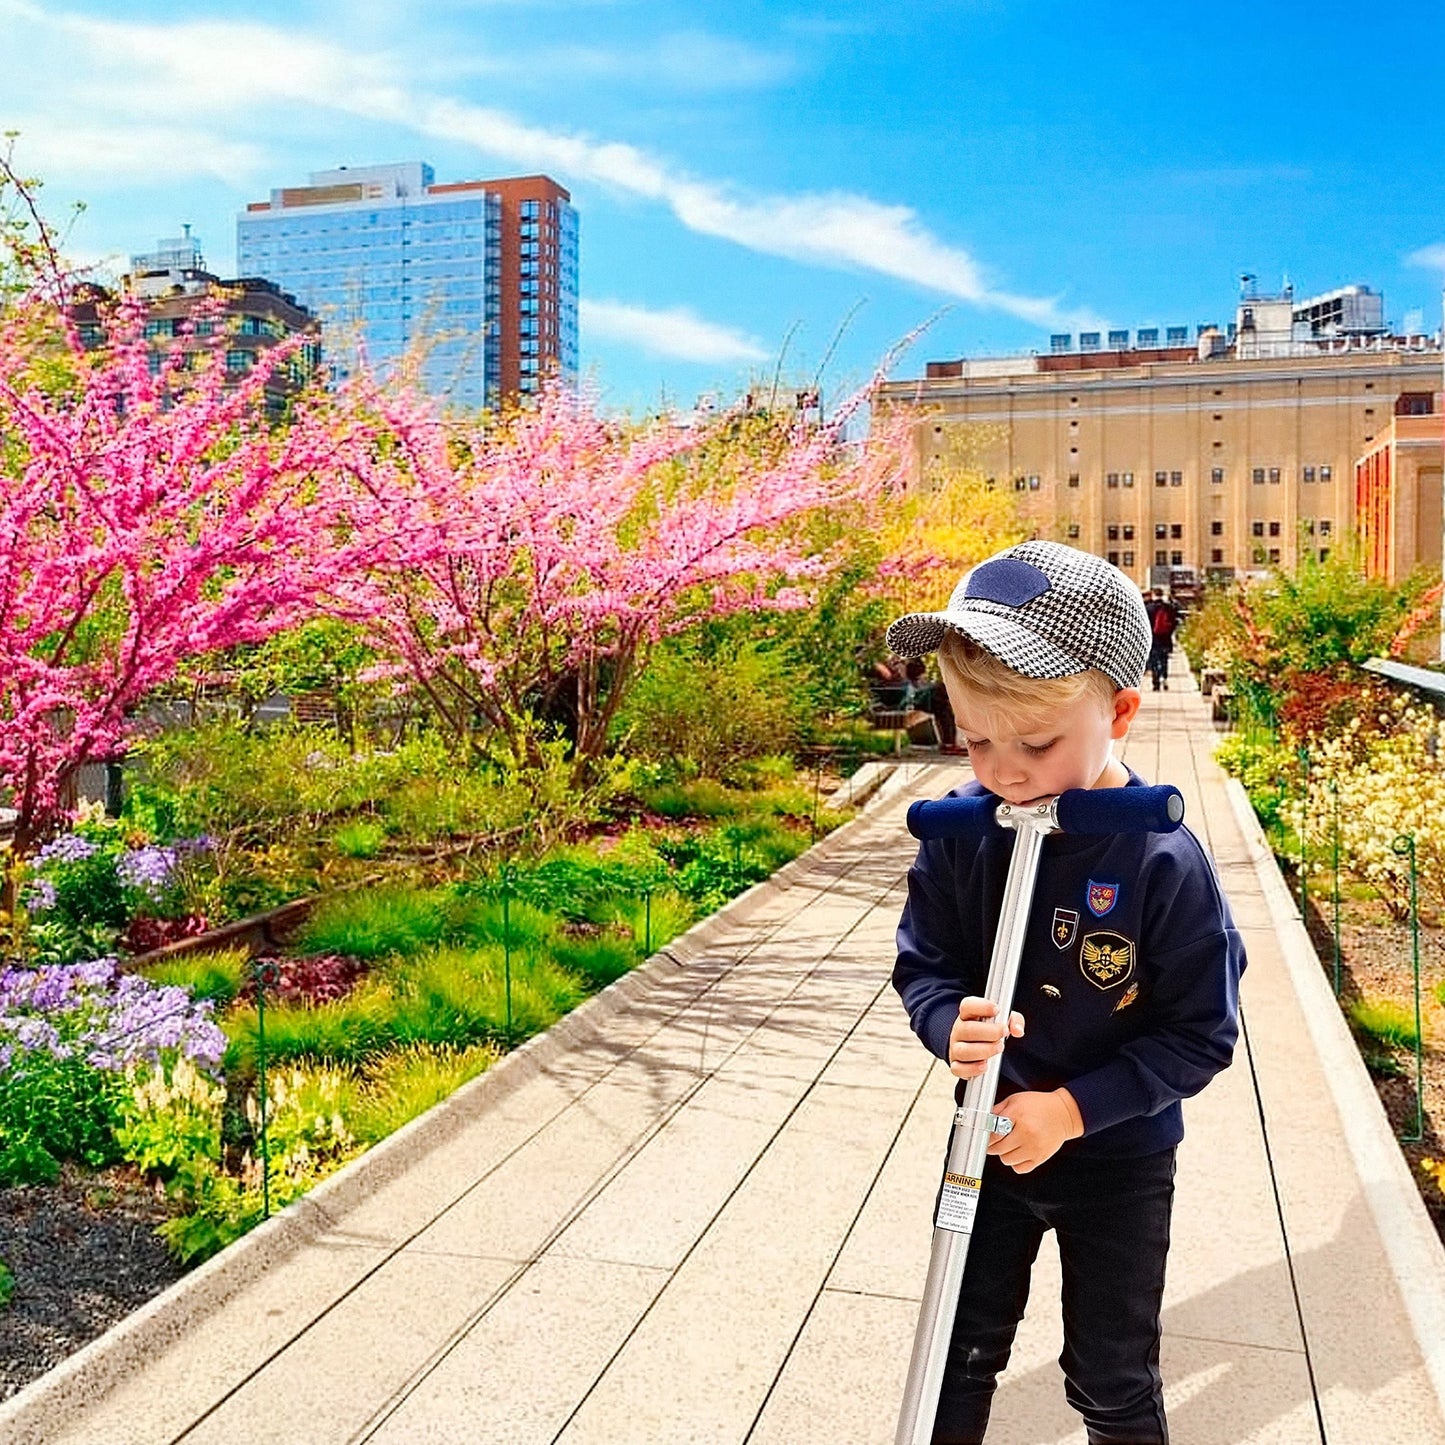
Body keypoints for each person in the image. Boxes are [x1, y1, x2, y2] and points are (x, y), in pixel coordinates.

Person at [886, 540, 1245, 1444]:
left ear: (1119, 710)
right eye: (973, 738)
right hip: (989, 1137)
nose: (1001, 770)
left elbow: (1199, 1034)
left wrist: (1076, 1110)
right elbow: (923, 963)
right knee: (953, 1348)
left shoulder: (1160, 858)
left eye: (1036, 742)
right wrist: (947, 1025)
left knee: (1110, 1371)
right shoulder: (963, 835)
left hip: (1116, 1156)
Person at [1143, 590, 1178, 692]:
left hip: (1152, 638)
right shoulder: (1168, 607)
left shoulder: (1148, 608)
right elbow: (1174, 622)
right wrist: (1169, 633)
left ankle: (1156, 682)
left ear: (1153, 595)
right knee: (1164, 658)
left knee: (1154, 659)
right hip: (1165, 638)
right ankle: (1164, 676)